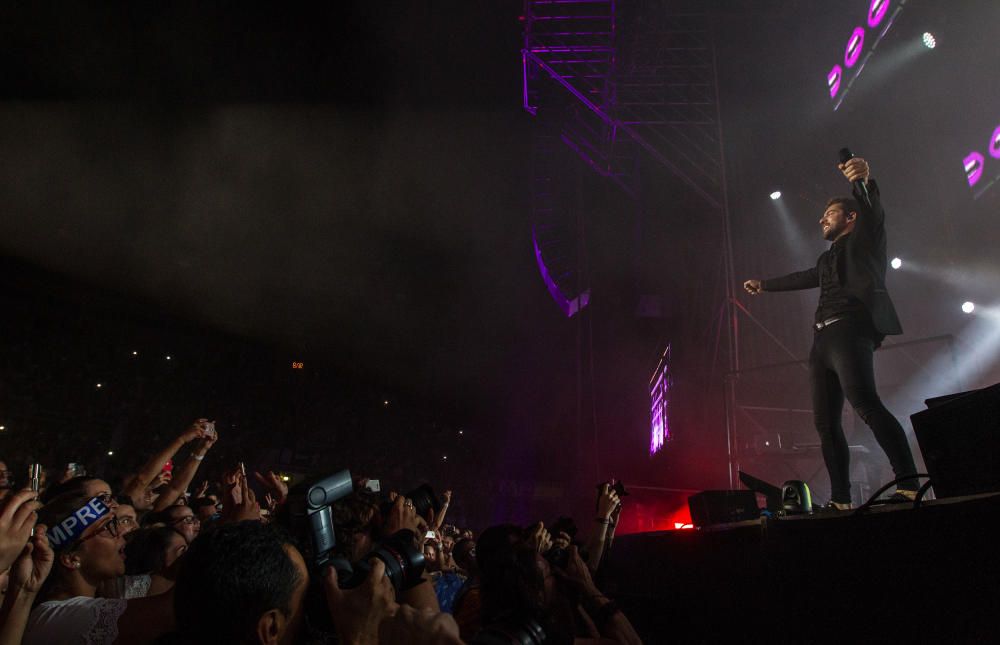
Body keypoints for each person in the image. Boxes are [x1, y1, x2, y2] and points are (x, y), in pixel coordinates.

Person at [743, 156, 919, 510]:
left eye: (831, 214)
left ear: (850, 218)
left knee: (866, 405)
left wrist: (864, 182)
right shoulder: (827, 259)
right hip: (822, 339)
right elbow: (803, 277)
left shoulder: (865, 240)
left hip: (850, 330)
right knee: (825, 423)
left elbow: (873, 212)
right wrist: (764, 286)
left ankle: (910, 483)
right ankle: (840, 500)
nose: (822, 218)